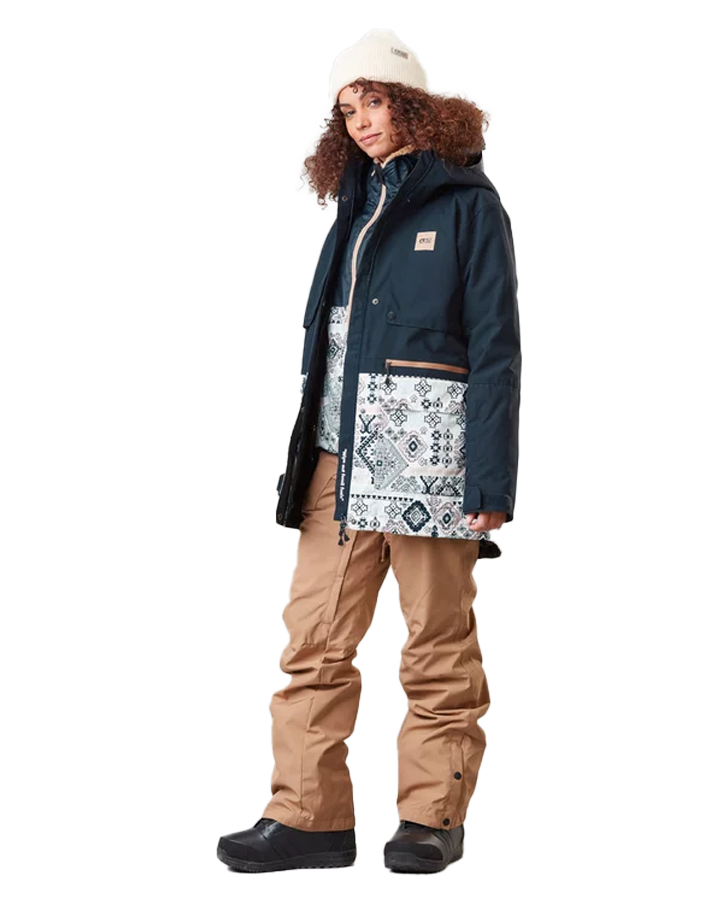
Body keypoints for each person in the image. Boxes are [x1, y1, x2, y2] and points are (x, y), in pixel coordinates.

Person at [217, 28, 521, 875]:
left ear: (414, 103)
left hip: (431, 467)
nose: (359, 120)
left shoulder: (469, 207)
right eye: (346, 108)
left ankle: (431, 816)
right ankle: (307, 817)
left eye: (374, 99)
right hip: (338, 458)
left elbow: (496, 350)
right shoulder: (352, 209)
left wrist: (490, 481)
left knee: (438, 648)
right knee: (312, 644)